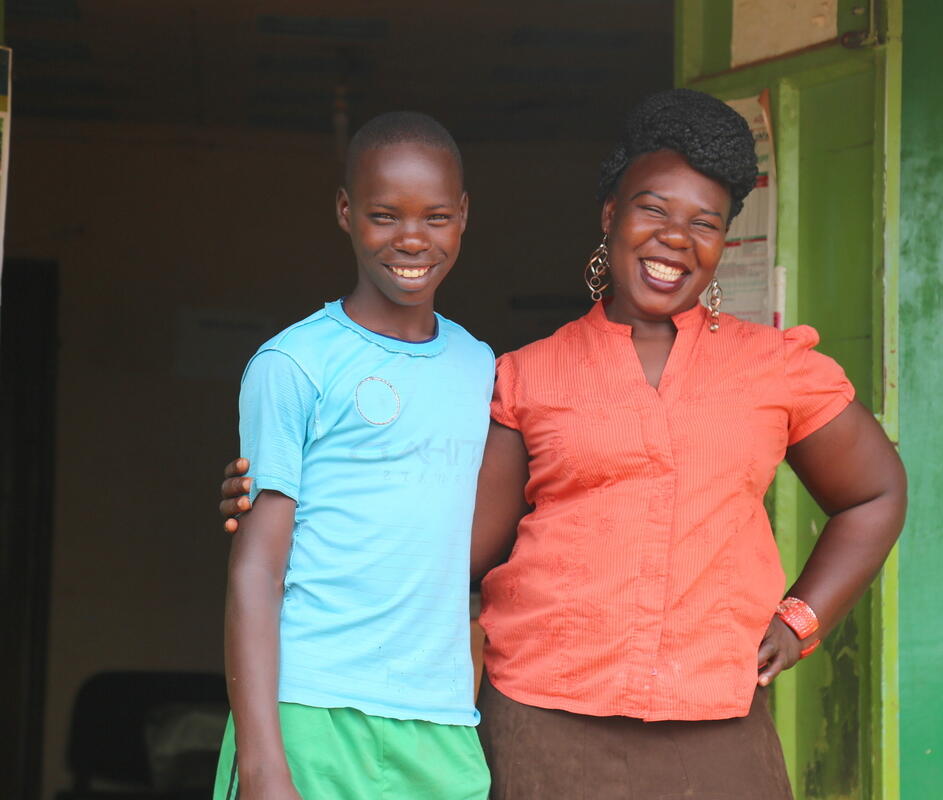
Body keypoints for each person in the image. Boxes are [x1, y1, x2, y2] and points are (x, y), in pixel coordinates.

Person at [222, 89, 906, 799]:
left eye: (704, 223)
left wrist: (800, 620)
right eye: (652, 209)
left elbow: (876, 492)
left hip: (718, 726)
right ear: (611, 217)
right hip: (542, 725)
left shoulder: (775, 368)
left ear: (723, 245)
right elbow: (451, 538)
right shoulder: (523, 375)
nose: (675, 237)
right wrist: (286, 488)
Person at [214, 111, 492, 800]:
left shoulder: (481, 367)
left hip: (441, 724)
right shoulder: (294, 364)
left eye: (434, 217)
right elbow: (256, 571)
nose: (411, 239)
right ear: (345, 212)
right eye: (383, 215)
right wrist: (261, 765)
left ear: (463, 217)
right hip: (312, 710)